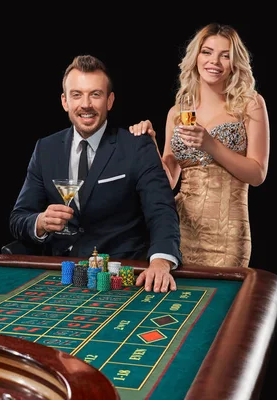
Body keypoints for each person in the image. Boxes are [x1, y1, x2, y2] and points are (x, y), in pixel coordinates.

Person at [9, 55, 182, 293]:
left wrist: (161, 262)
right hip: (59, 276)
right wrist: (40, 222)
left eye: (95, 94)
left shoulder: (136, 146)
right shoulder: (45, 149)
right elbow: (19, 218)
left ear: (109, 101)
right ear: (65, 101)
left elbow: (162, 211)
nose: (86, 104)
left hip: (119, 277)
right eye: (77, 94)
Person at [129, 23, 269, 268]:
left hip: (227, 232)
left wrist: (210, 144)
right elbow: (169, 180)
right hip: (181, 225)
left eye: (225, 55)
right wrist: (150, 145)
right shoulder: (179, 111)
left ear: (235, 62)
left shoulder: (250, 104)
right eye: (207, 52)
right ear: (195, 57)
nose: (214, 61)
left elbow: (257, 174)